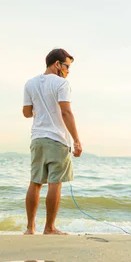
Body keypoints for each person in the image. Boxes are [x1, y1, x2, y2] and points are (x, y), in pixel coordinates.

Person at [22, 48, 82, 235]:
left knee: (35, 182)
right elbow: (65, 112)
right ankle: (49, 227)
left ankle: (30, 228)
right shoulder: (61, 84)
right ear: (57, 64)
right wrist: (77, 140)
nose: (68, 71)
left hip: (38, 138)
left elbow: (26, 113)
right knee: (55, 183)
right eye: (67, 66)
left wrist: (40, 110)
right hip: (57, 139)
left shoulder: (30, 83)